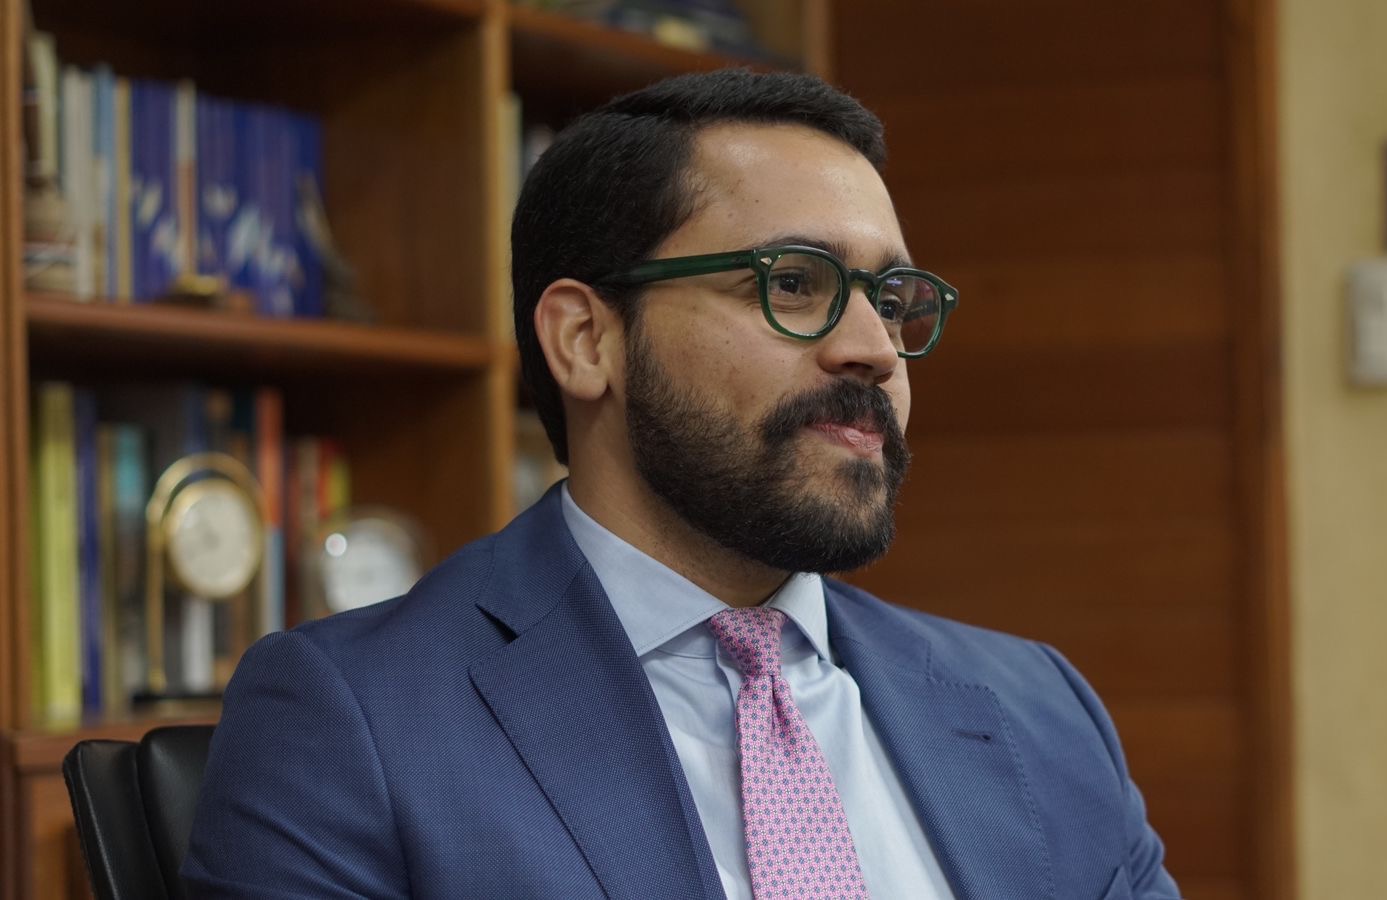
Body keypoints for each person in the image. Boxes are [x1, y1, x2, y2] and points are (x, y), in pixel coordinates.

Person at [183, 69, 1181, 900]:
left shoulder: (1040, 710)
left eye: (890, 299)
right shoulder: (353, 721)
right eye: (794, 284)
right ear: (587, 340)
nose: (875, 350)